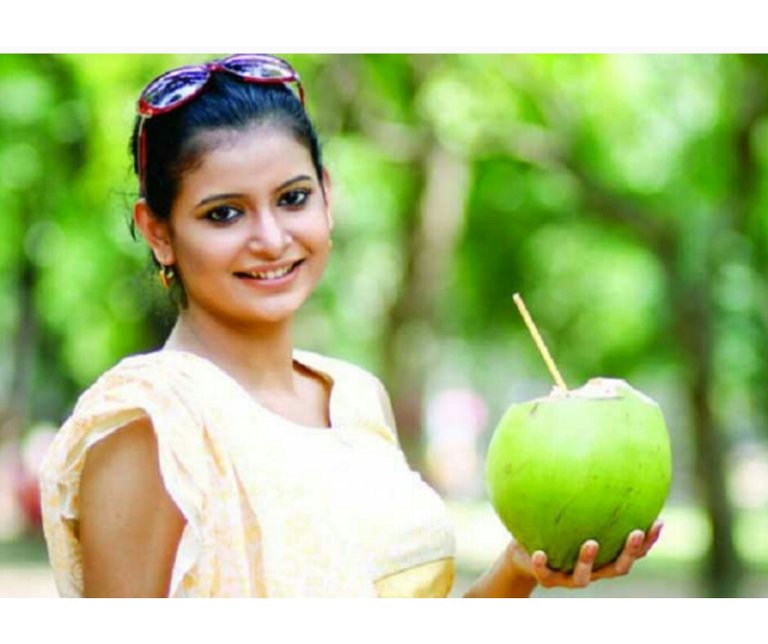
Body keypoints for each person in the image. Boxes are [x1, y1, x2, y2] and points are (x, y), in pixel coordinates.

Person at [39, 54, 662, 598]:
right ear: (158, 232)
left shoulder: (357, 398)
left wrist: (519, 568)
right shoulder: (151, 426)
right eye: (224, 213)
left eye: (293, 198)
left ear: (327, 196)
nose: (271, 238)